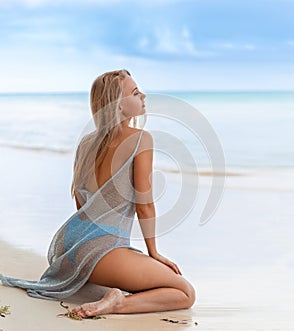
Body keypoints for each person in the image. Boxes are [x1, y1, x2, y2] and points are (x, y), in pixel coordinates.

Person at [0, 69, 195, 317]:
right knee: (185, 293)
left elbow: (81, 202)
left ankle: (100, 279)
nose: (143, 95)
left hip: (69, 247)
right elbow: (144, 204)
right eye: (135, 92)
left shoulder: (85, 143)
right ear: (119, 106)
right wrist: (153, 253)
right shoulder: (140, 139)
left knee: (129, 272)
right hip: (102, 250)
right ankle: (117, 303)